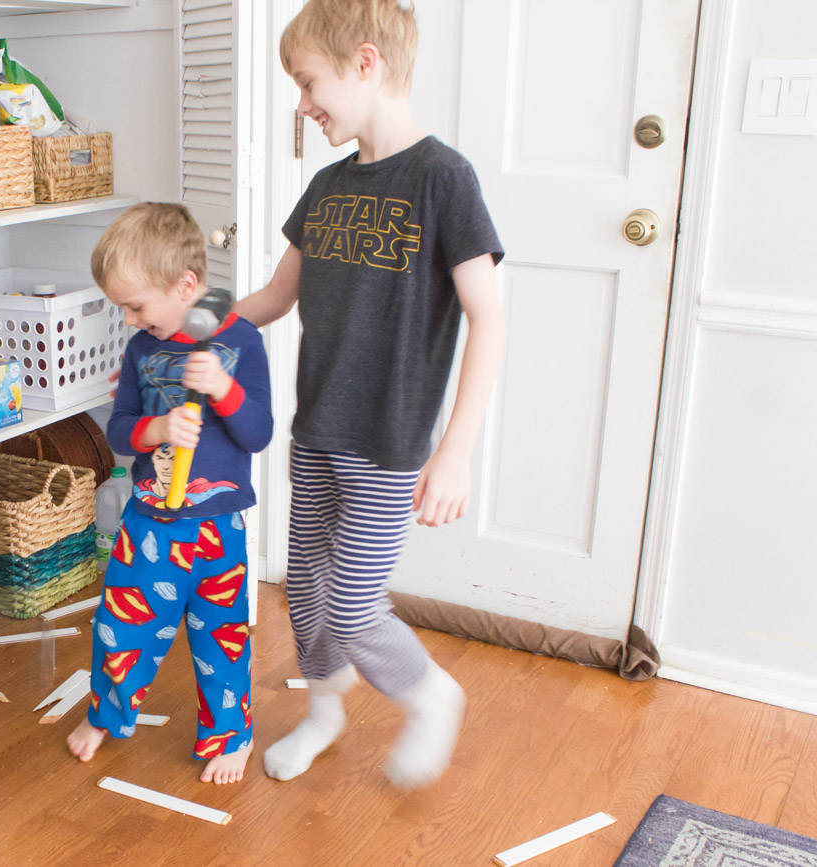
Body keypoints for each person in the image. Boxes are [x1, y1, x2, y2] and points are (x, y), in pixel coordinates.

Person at [233, 0, 507, 789]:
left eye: (308, 81)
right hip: (316, 430)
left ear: (365, 63)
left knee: (353, 606)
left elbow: (489, 318)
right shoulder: (324, 186)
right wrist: (194, 325)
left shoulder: (443, 180)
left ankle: (432, 695)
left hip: (386, 448)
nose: (302, 103)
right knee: (308, 596)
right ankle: (323, 710)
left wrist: (454, 450)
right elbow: (275, 298)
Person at [67, 203, 273, 784]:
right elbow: (118, 430)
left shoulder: (241, 342)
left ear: (187, 285)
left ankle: (230, 736)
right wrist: (155, 431)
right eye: (123, 308)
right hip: (150, 524)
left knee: (222, 642)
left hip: (218, 528)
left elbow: (257, 433)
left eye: (136, 306)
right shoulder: (143, 350)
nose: (131, 319)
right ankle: (107, 714)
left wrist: (225, 390)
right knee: (119, 628)